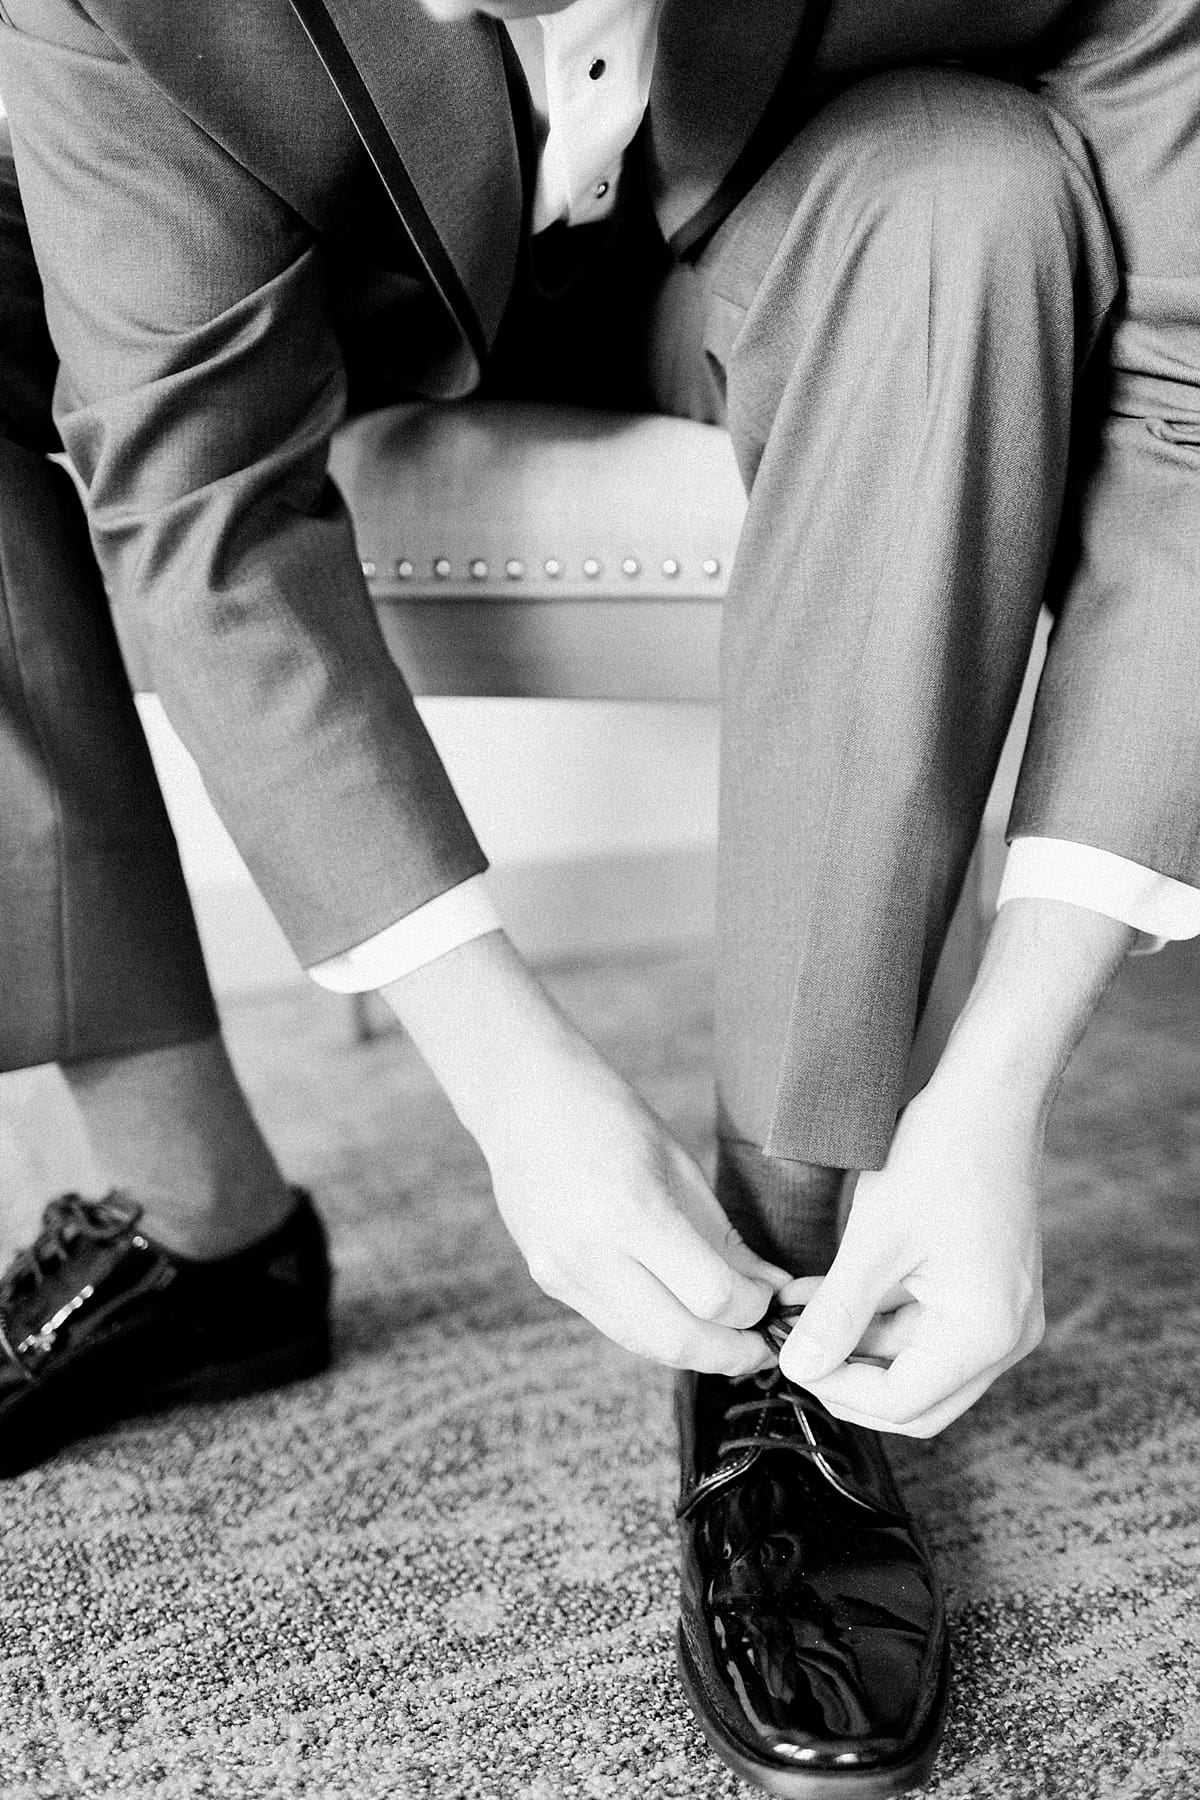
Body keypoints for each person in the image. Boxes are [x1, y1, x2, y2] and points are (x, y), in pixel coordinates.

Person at [0, 0, 1197, 1789]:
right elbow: (211, 511)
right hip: (324, 272)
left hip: (778, 232)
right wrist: (507, 1074)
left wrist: (1000, 1077)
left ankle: (796, 1296)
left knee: (971, 183)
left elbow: (1195, 407)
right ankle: (199, 1225)